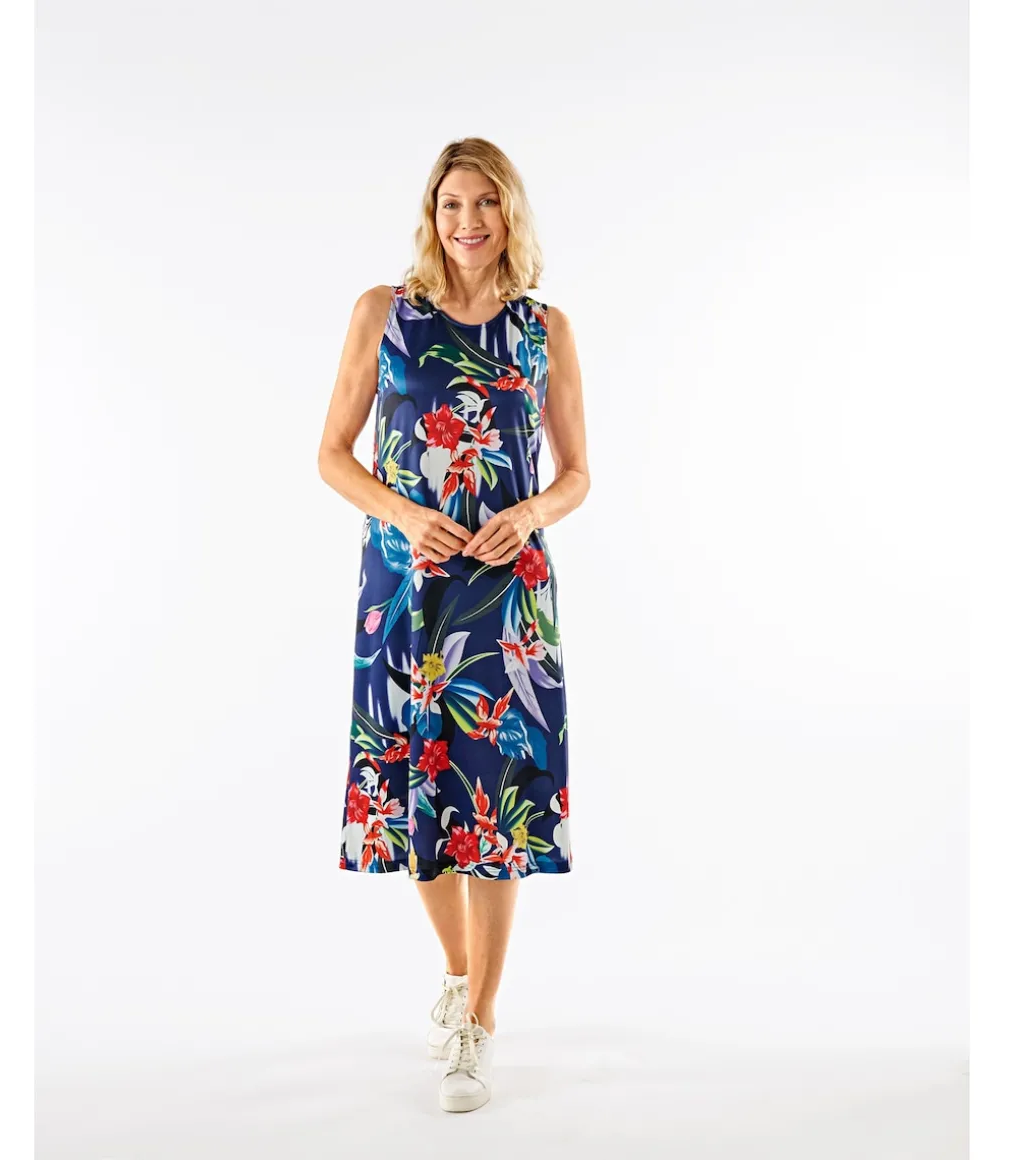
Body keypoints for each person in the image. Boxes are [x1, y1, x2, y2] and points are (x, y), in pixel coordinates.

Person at [318, 137, 589, 1112]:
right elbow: (332, 454)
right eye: (450, 205)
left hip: (506, 596)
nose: (467, 221)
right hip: (407, 588)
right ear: (430, 217)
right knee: (415, 794)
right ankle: (459, 971)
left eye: (484, 203)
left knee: (497, 805)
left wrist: (530, 513)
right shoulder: (383, 313)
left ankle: (478, 1019)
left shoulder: (542, 329)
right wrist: (402, 513)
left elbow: (576, 473)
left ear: (510, 212)